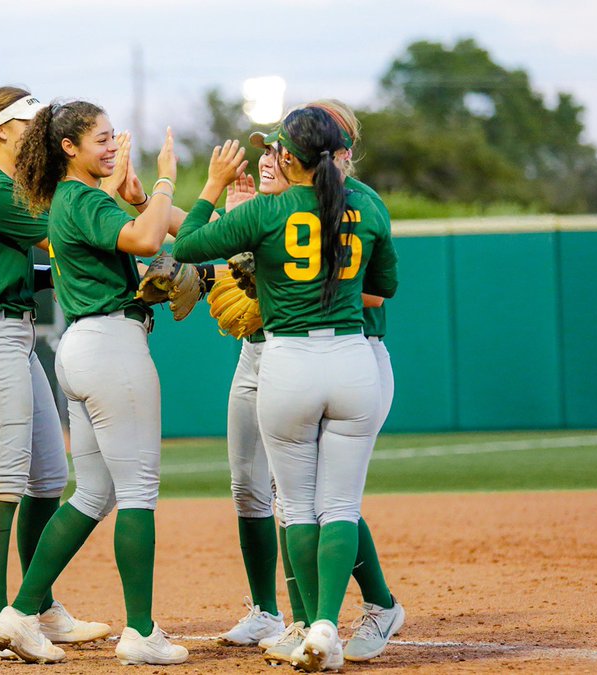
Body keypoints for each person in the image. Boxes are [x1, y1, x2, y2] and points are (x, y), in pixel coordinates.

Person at [173, 106, 398, 672]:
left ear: (292, 158)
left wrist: (215, 189)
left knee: (297, 507)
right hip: (351, 358)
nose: (269, 156)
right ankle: (324, 623)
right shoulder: (365, 204)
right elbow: (383, 285)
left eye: (277, 151)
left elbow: (189, 244)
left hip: (290, 358)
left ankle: (313, 626)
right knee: (340, 506)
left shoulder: (271, 211)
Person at [0, 101, 192, 666]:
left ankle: (19, 614)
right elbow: (149, 241)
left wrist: (135, 198)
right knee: (139, 492)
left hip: (85, 346)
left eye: (112, 137)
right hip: (111, 348)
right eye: (100, 139)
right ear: (68, 148)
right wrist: (166, 179)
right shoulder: (79, 198)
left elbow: (147, 233)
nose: (111, 146)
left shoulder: (76, 198)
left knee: (93, 493)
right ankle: (142, 631)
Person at [0, 86, 109, 661]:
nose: (39, 129)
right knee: (4, 485)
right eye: (31, 122)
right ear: (3, 131)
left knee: (47, 477)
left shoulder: (2, 186)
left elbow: (38, 262)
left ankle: (35, 607)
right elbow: (63, 233)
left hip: (12, 335)